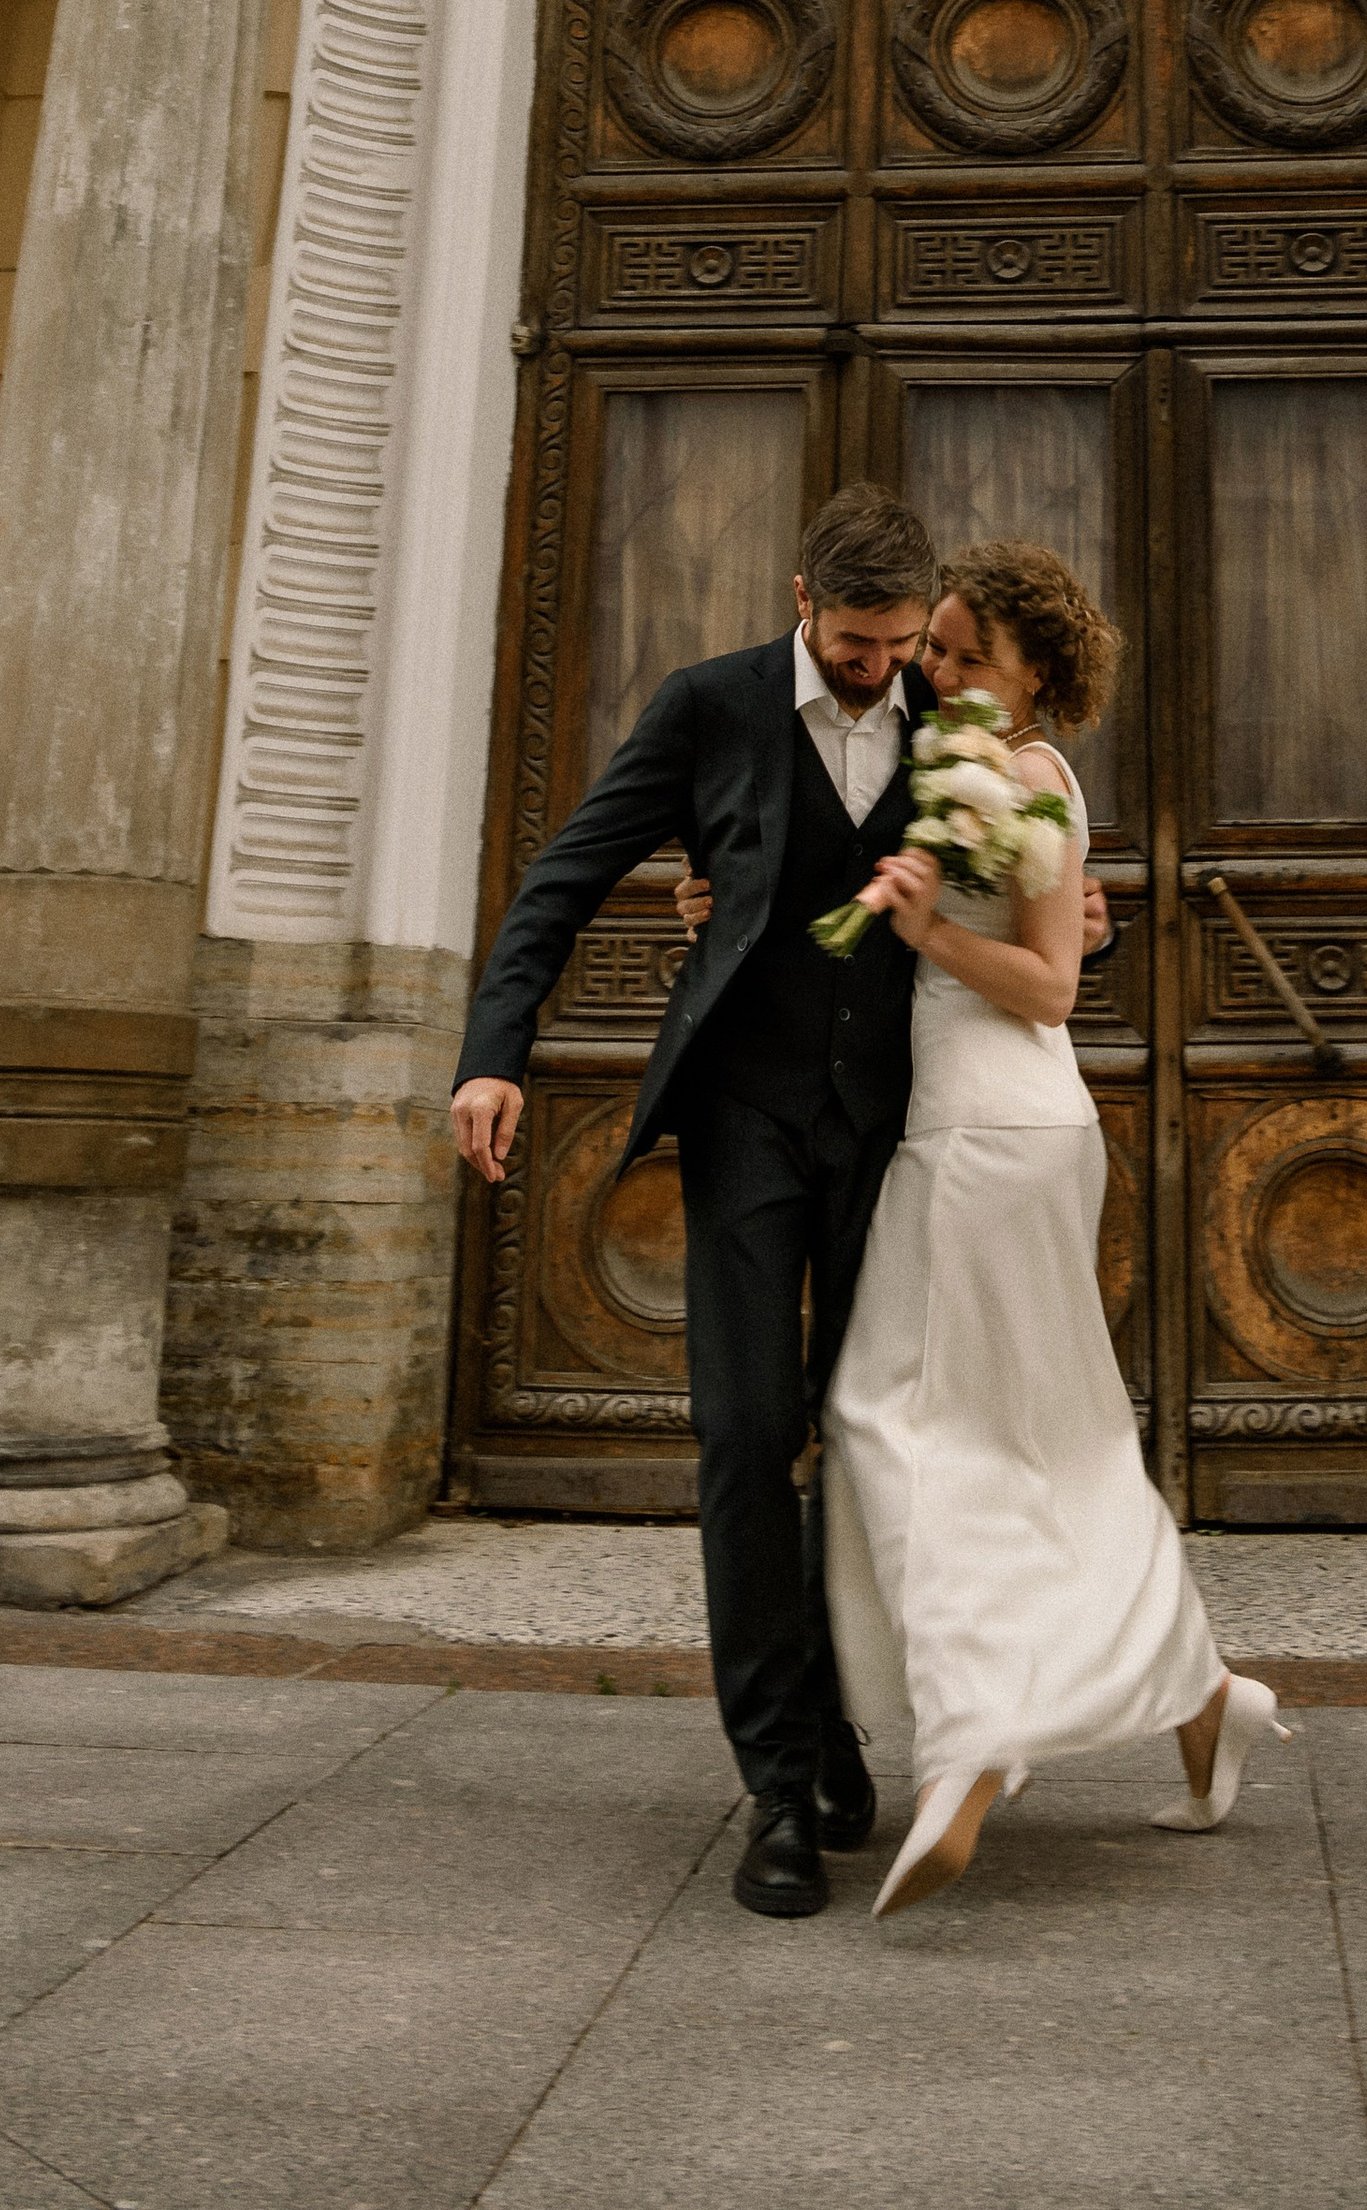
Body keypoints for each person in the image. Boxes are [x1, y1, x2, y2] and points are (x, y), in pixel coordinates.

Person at [674, 540, 1286, 1922]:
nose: (935, 672)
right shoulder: (974, 761)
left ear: (1033, 674)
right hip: (980, 1132)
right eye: (935, 647)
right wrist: (723, 901)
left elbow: (1052, 981)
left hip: (985, 1137)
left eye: (962, 654)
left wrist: (922, 927)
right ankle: (1199, 1693)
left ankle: (973, 1737)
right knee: (1048, 1439)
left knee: (898, 1421)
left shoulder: (1012, 773)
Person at [449, 483, 942, 1922]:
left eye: (898, 642)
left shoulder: (951, 722)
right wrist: (494, 1058)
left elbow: (991, 911)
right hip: (746, 1120)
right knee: (744, 1434)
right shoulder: (711, 706)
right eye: (855, 641)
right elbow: (564, 873)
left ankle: (844, 1718)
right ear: (804, 602)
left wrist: (1077, 936)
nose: (875, 666)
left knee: (863, 1441)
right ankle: (780, 1784)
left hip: (899, 1131)